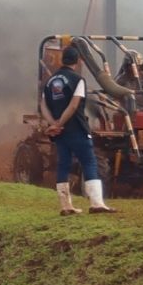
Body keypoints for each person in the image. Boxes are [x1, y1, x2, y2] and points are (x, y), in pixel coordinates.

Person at [40, 45, 112, 215]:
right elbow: (73, 106)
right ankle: (96, 203)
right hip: (77, 129)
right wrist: (61, 123)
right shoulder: (77, 80)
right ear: (78, 61)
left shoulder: (50, 81)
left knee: (63, 165)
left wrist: (53, 124)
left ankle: (66, 206)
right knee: (89, 162)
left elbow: (43, 106)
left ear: (62, 59)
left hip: (60, 134)